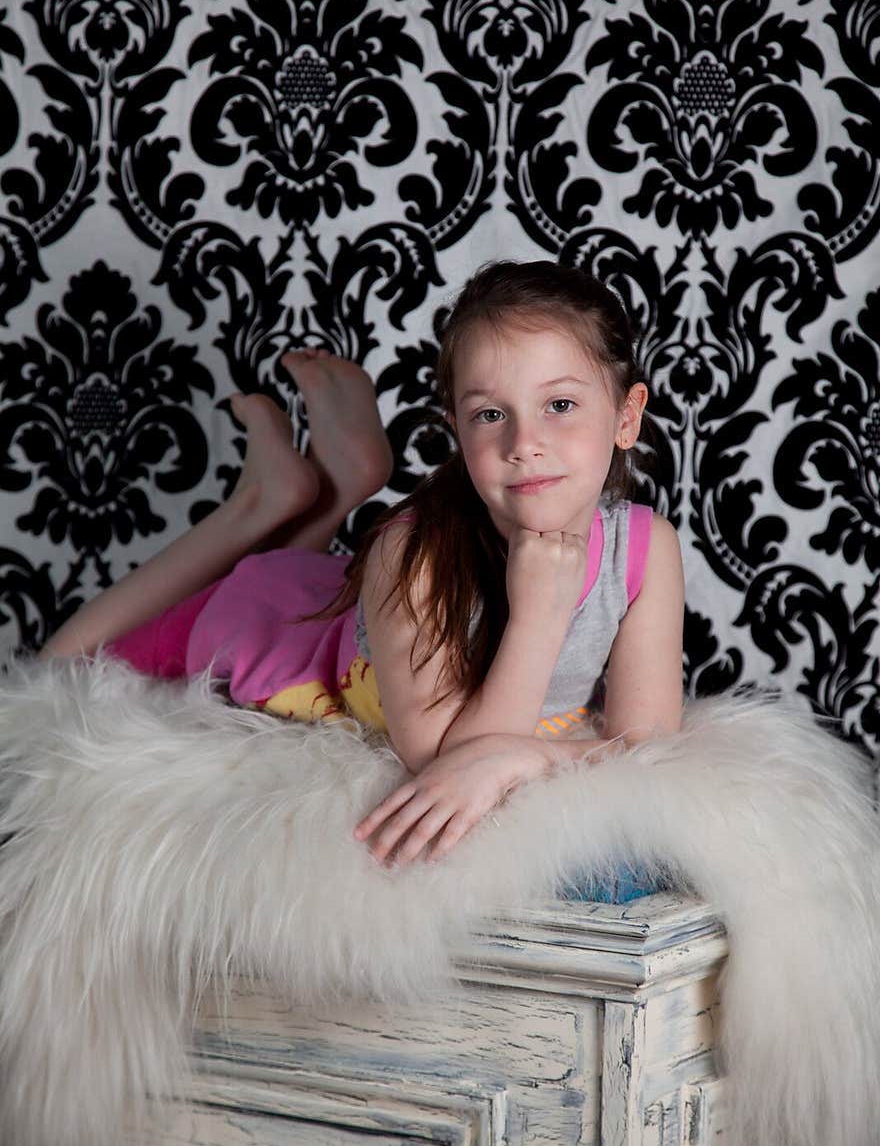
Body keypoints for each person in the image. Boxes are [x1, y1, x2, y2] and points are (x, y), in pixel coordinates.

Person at [43, 261, 684, 875]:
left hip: (358, 609)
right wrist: (539, 617)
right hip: (278, 629)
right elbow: (444, 761)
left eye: (560, 405)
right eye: (491, 414)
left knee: (299, 570)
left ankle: (324, 485)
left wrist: (522, 757)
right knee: (62, 662)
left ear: (626, 416)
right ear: (458, 430)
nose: (524, 444)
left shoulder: (645, 547)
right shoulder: (409, 555)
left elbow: (648, 747)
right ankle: (258, 503)